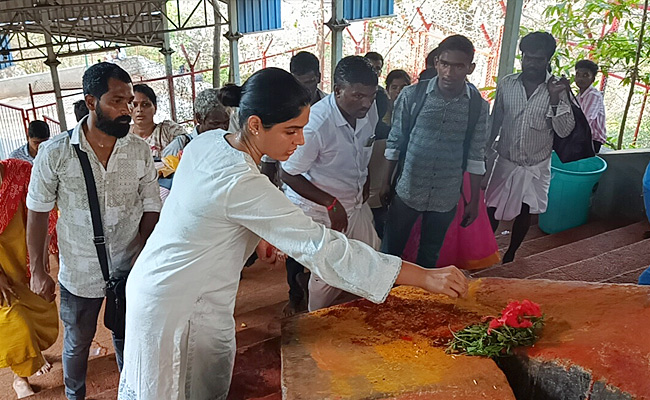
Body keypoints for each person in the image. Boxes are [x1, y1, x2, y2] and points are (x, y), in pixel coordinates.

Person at [117, 67, 468, 400]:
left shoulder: (209, 142)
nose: (300, 141)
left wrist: (259, 232)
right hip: (176, 303)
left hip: (166, 283)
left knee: (204, 381)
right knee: (176, 388)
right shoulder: (242, 181)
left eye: (302, 128)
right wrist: (422, 276)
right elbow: (322, 248)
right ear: (255, 125)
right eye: (291, 130)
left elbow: (203, 212)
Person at [26, 62, 162, 400]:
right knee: (77, 343)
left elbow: (151, 205)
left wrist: (146, 256)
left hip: (130, 267)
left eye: (130, 101)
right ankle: (76, 396)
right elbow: (38, 212)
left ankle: (130, 391)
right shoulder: (55, 153)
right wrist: (39, 271)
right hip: (79, 272)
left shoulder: (139, 150)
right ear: (91, 101)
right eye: (117, 101)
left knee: (128, 337)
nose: (127, 111)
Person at [280, 56, 381, 312]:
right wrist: (330, 203)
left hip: (353, 202)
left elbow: (363, 148)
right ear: (337, 90)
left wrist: (365, 177)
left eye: (370, 95)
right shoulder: (316, 124)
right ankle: (314, 322)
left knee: (372, 252)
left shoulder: (370, 110)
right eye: (358, 96)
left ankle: (364, 310)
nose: (366, 103)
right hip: (320, 209)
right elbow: (288, 173)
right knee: (328, 273)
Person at [379, 35, 489, 269]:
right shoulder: (412, 95)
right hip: (408, 188)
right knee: (390, 252)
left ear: (470, 68)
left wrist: (474, 202)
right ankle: (385, 300)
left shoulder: (477, 106)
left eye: (459, 66)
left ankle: (420, 302)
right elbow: (395, 140)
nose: (450, 72)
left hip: (446, 194)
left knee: (430, 255)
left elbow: (476, 154)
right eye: (445, 64)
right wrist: (386, 182)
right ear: (437, 63)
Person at [485, 32, 575, 263]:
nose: (532, 63)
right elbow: (496, 120)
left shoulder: (557, 89)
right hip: (505, 160)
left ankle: (511, 254)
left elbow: (564, 130)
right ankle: (484, 250)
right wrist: (482, 151)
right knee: (491, 208)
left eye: (538, 59)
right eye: (528, 58)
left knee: (526, 211)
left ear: (548, 60)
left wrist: (555, 99)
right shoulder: (507, 84)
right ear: (522, 57)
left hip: (537, 163)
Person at [0, 158, 59, 399]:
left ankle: (33, 354)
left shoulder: (21, 171)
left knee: (37, 313)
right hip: (1, 270)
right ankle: (19, 378)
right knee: (15, 321)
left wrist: (40, 259)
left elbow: (43, 211)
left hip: (25, 258)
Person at [368, 69, 412, 239]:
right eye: (394, 87)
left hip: (367, 197)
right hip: (385, 194)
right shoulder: (391, 134)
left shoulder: (358, 133)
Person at [161, 88, 231, 157]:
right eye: (215, 124)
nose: (222, 128)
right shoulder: (179, 147)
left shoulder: (230, 143)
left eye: (226, 122)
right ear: (199, 118)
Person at [129, 84, 187, 158]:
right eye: (134, 105)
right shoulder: (123, 136)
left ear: (155, 108)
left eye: (145, 104)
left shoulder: (168, 131)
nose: (139, 110)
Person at [574, 59, 606, 153]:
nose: (580, 78)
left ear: (593, 79)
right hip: (581, 138)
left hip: (591, 141)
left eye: (585, 75)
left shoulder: (593, 95)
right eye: (578, 74)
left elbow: (585, 120)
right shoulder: (579, 96)